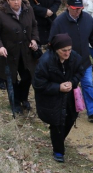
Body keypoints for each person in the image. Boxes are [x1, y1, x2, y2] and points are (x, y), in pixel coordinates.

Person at [49, 0, 93, 124]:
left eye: (80, 8)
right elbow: (52, 43)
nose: (77, 11)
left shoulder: (87, 19)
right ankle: (64, 112)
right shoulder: (59, 22)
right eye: (75, 8)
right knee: (68, 88)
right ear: (68, 7)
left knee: (88, 85)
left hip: (84, 62)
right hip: (66, 64)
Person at [33, 34, 84, 163]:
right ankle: (58, 151)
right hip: (51, 99)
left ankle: (58, 140)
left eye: (69, 49)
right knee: (57, 124)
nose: (67, 53)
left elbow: (80, 71)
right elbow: (38, 84)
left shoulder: (74, 58)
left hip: (70, 97)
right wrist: (58, 87)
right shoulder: (45, 61)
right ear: (56, 49)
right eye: (64, 50)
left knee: (71, 118)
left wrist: (72, 82)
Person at [0, 0, 39, 115]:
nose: (16, 2)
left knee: (27, 76)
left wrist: (34, 39)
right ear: (7, 0)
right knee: (11, 79)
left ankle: (23, 98)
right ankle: (15, 102)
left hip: (26, 51)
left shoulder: (28, 9)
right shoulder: (1, 13)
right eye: (13, 0)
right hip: (9, 53)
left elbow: (34, 25)